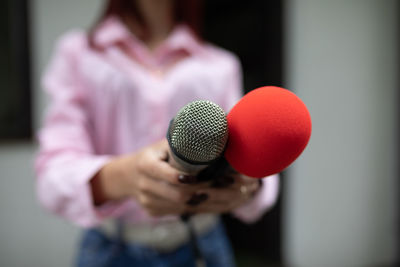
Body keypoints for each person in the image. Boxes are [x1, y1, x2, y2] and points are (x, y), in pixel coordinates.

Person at [35, 0, 280, 266]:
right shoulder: (80, 54)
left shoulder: (220, 65)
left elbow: (249, 164)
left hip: (201, 245)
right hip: (112, 248)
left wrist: (247, 186)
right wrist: (127, 175)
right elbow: (53, 176)